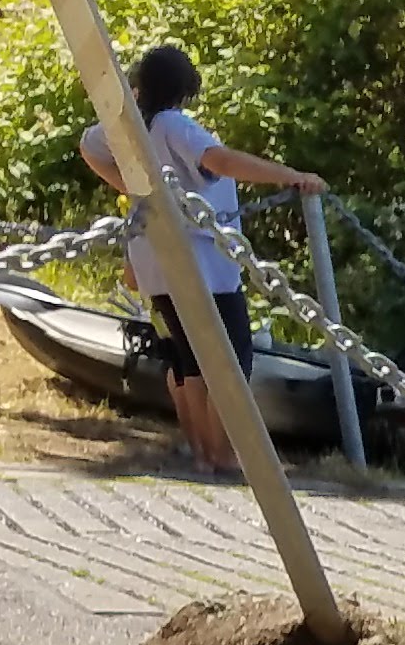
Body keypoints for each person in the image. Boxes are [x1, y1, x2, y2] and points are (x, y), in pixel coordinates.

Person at [73, 43, 319, 476]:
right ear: (185, 86)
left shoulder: (131, 126)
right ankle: (221, 455)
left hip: (154, 256)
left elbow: (88, 145)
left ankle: (202, 452)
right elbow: (218, 161)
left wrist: (132, 190)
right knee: (228, 360)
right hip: (201, 260)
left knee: (184, 360)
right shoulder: (172, 123)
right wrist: (291, 176)